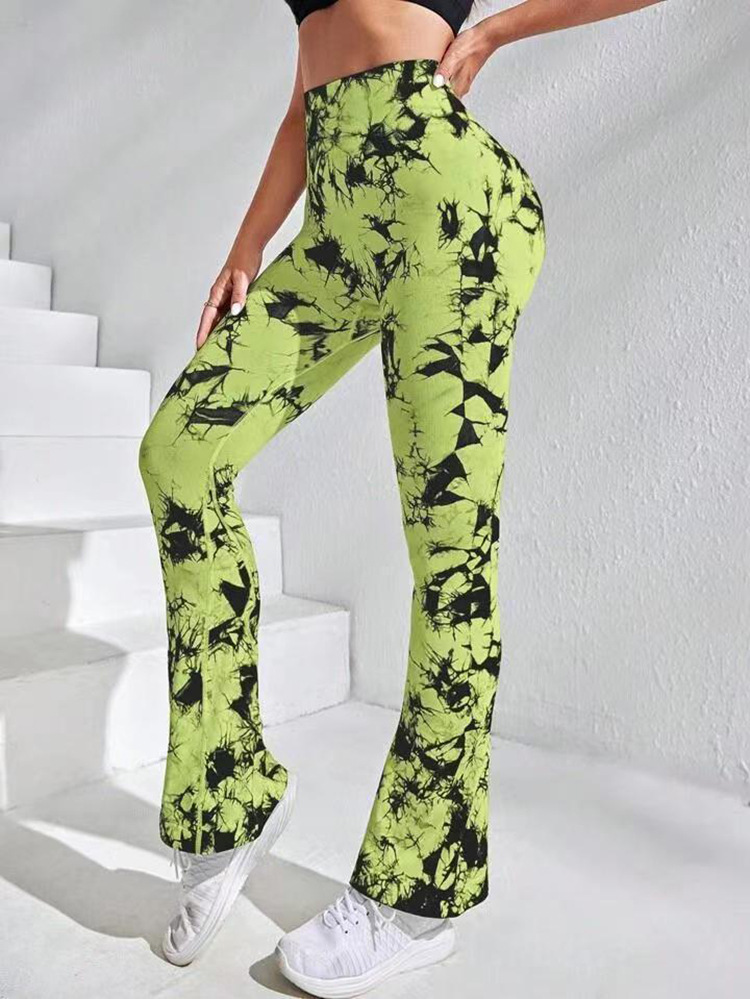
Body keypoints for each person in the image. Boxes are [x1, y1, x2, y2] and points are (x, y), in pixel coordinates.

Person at [137, 0, 664, 994]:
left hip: (446, 204)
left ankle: (418, 897)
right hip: (338, 213)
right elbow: (309, 88)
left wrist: (496, 31)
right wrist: (249, 243)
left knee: (450, 557)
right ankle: (229, 793)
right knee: (180, 455)